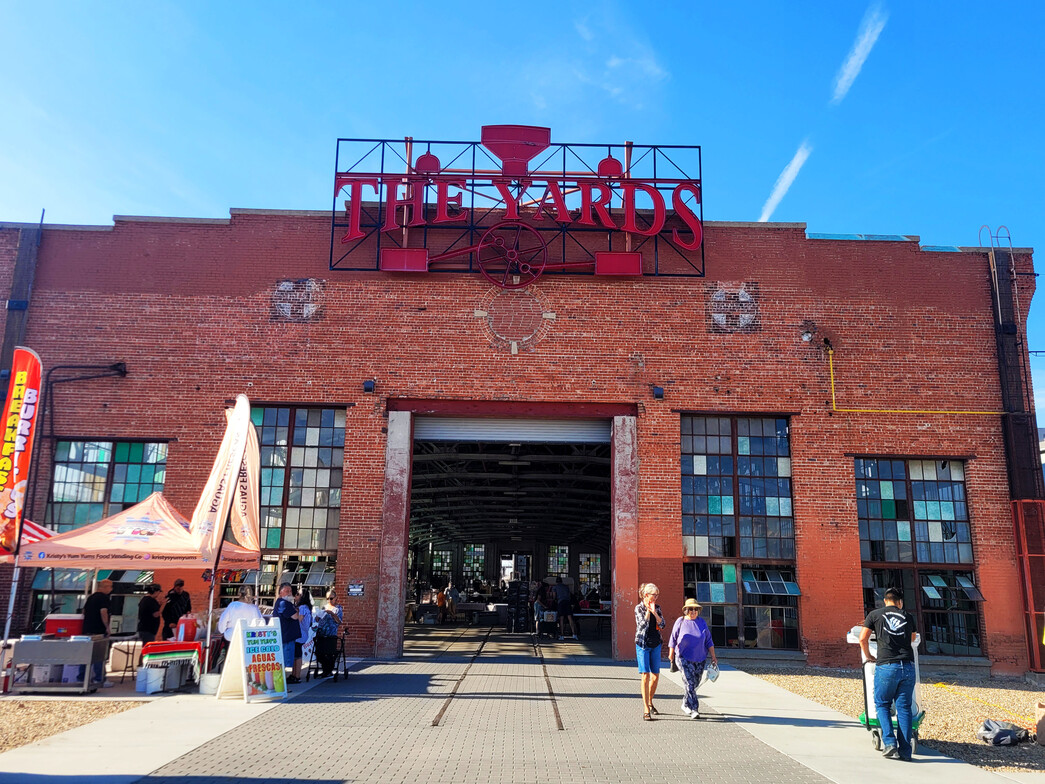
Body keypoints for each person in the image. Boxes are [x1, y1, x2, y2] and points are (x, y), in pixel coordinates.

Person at [859, 588, 918, 761]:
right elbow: (912, 639)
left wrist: (869, 656)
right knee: (904, 708)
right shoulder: (908, 616)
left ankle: (890, 743)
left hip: (886, 665)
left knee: (883, 704)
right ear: (900, 602)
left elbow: (862, 638)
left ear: (885, 601)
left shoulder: (874, 615)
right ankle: (905, 751)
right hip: (907, 666)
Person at [668, 598, 718, 719]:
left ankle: (685, 703)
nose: (693, 611)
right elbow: (673, 638)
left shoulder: (702, 622)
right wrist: (671, 653)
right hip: (683, 657)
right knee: (689, 683)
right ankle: (694, 709)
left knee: (694, 683)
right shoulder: (680, 621)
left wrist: (713, 656)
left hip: (700, 658)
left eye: (696, 609)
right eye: (691, 609)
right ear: (686, 610)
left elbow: (709, 640)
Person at [634, 582, 666, 720]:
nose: (656, 597)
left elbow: (663, 624)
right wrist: (648, 612)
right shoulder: (639, 608)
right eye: (654, 595)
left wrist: (655, 613)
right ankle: (646, 708)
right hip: (643, 644)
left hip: (656, 643)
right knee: (645, 675)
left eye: (657, 595)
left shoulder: (657, 608)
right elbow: (641, 626)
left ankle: (650, 701)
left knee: (655, 676)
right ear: (646, 595)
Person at [82, 578, 114, 688]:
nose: (111, 589)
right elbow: (103, 612)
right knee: (99, 655)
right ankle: (99, 678)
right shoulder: (103, 598)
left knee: (86, 654)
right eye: (110, 587)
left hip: (87, 629)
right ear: (105, 587)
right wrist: (107, 627)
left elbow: (84, 611)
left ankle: (82, 677)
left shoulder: (91, 597)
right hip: (98, 629)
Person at [273, 582, 300, 683]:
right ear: (280, 592)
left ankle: (282, 683)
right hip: (286, 637)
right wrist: (296, 610)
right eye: (286, 591)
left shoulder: (286, 603)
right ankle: (281, 684)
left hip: (287, 636)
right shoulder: (283, 603)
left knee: (284, 661)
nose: (289, 593)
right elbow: (295, 616)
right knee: (283, 662)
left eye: (290, 591)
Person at [313, 588, 343, 677]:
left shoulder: (338, 608)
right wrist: (317, 617)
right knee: (319, 653)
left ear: (336, 598)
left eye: (331, 598)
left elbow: (339, 621)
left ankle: (328, 670)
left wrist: (332, 614)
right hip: (321, 633)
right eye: (327, 598)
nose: (329, 600)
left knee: (329, 653)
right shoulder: (324, 607)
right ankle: (325, 669)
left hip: (331, 634)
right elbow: (319, 618)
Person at [136, 583, 165, 664]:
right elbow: (156, 614)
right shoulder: (150, 601)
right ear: (155, 591)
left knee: (145, 648)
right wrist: (163, 605)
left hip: (145, 628)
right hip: (148, 629)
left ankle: (141, 664)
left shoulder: (144, 600)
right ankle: (144, 665)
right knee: (147, 649)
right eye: (158, 592)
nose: (159, 594)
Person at [293, 588, 314, 681]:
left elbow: (298, 620)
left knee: (297, 655)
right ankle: (294, 674)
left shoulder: (302, 608)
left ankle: (297, 676)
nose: (295, 596)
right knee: (296, 654)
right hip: (304, 634)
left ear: (302, 597)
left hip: (299, 635)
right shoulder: (307, 608)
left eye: (298, 594)